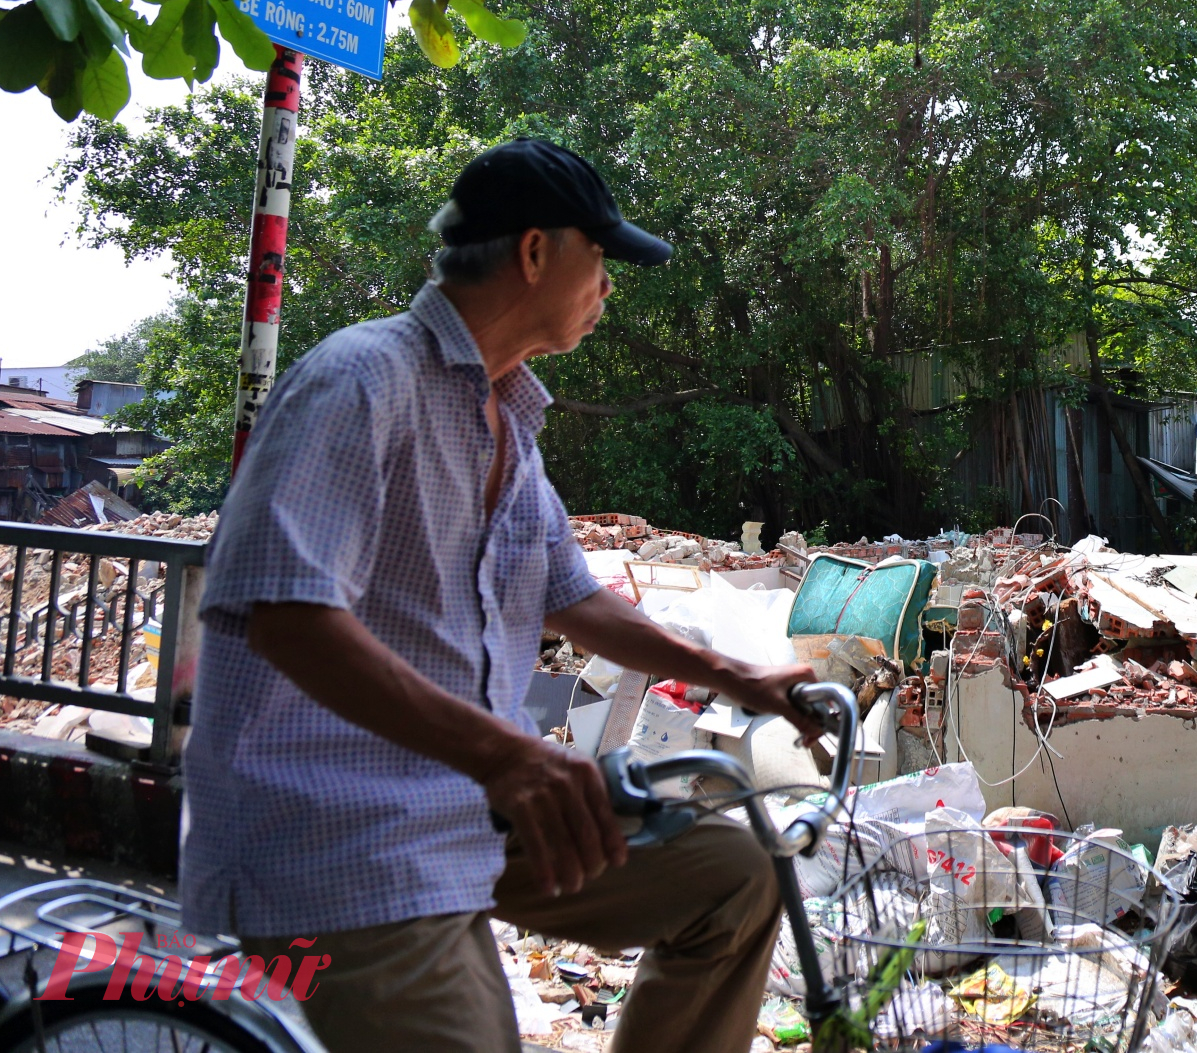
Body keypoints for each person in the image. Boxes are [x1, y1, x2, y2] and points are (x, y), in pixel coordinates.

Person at [181, 138, 816, 1053]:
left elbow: (570, 593)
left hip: (471, 803)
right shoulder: (361, 380)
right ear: (534, 253)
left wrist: (736, 674)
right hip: (338, 838)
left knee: (738, 873)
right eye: (599, 259)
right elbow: (284, 613)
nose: (608, 287)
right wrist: (507, 757)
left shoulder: (509, 421)